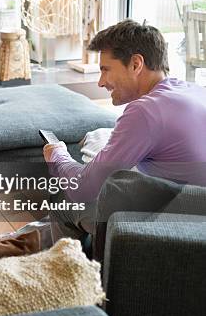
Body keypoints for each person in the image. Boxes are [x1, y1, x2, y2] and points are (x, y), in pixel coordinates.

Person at [42, 19, 206, 243]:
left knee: (64, 199)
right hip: (194, 208)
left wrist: (57, 155)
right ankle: (23, 242)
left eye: (106, 70)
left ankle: (71, 273)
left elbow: (84, 189)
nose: (100, 82)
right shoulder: (194, 91)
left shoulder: (146, 111)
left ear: (136, 64)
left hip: (177, 224)